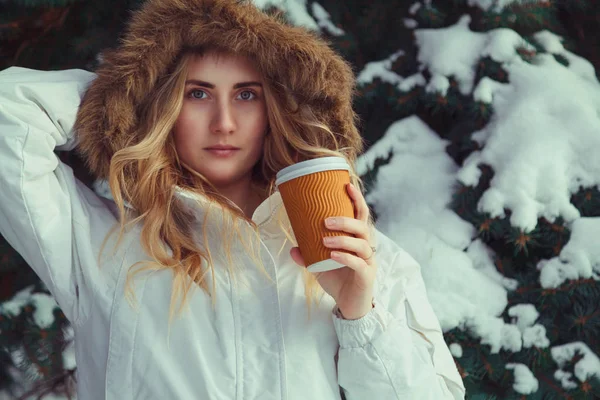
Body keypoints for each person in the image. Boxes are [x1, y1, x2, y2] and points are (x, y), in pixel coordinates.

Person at [0, 0, 466, 399]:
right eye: (197, 93)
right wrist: (124, 95)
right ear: (163, 106)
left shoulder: (360, 255)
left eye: (246, 94)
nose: (223, 122)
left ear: (277, 110)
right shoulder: (102, 249)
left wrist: (359, 313)